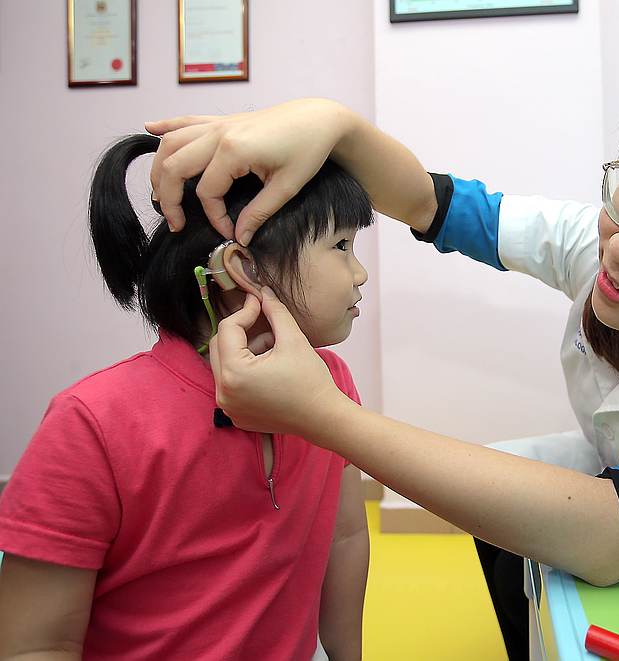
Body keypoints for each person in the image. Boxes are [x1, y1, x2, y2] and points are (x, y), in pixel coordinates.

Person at [146, 63, 619, 654]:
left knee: (538, 523)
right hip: (616, 465)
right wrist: (337, 125)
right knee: (503, 496)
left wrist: (322, 415)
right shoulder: (613, 239)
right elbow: (435, 204)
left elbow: (615, 529)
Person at [0, 134, 372, 660]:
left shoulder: (330, 382)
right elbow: (34, 646)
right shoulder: (92, 424)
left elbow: (345, 538)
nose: (360, 273)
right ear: (241, 270)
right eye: (340, 247)